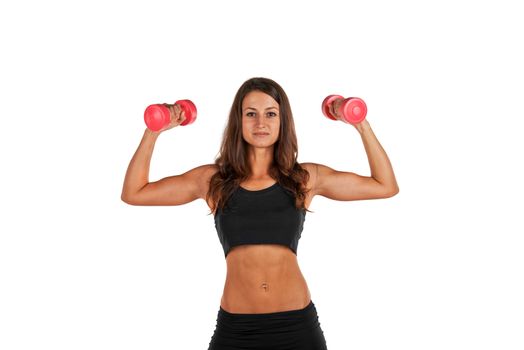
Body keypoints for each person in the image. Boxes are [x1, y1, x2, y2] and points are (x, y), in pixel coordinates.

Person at [121, 77, 399, 350]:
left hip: (296, 326)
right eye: (251, 113)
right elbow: (135, 193)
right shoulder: (212, 181)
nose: (261, 123)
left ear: (282, 121)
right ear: (238, 121)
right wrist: (153, 131)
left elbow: (384, 186)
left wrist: (359, 123)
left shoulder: (304, 178)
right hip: (236, 329)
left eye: (271, 114)